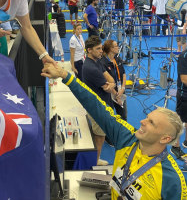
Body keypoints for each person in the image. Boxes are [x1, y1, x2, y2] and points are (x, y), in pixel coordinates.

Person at [41, 63, 187, 200]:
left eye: (151, 123)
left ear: (165, 139)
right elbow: (96, 105)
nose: (142, 121)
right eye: (147, 118)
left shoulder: (173, 181)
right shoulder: (127, 137)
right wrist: (64, 74)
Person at [82, 36, 118, 165]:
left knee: (100, 134)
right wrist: (111, 84)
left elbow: (111, 81)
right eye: (98, 49)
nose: (101, 51)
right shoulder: (91, 68)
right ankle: (95, 160)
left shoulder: (97, 62)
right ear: (89, 50)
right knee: (100, 135)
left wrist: (111, 83)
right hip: (97, 106)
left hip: (101, 103)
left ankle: (95, 158)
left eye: (101, 48)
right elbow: (108, 87)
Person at [101, 40, 127, 120]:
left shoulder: (117, 58)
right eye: (116, 46)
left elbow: (123, 74)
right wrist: (116, 95)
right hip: (110, 93)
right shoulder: (103, 62)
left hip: (120, 91)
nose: (118, 47)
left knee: (123, 116)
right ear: (110, 49)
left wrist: (122, 88)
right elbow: (106, 81)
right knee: (109, 117)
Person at [171, 49, 187, 159]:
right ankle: (175, 147)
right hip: (184, 95)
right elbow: (184, 79)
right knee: (179, 122)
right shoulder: (184, 56)